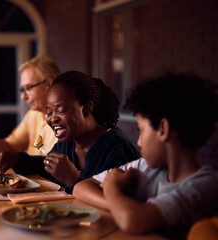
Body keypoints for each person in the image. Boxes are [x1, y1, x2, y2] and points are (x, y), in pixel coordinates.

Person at [73, 73, 218, 238]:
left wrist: (112, 187)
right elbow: (80, 188)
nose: (139, 142)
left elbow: (132, 220)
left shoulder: (206, 186)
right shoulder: (146, 167)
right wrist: (118, 206)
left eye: (141, 130)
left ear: (163, 129)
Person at [0, 71, 141, 193]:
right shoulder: (69, 143)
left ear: (87, 109)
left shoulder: (116, 149)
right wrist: (17, 159)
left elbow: (114, 203)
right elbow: (46, 166)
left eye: (61, 110)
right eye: (49, 112)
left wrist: (74, 180)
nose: (52, 119)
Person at [0, 55, 60, 162]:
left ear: (49, 84)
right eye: (22, 90)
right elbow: (10, 146)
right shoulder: (33, 115)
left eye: (28, 88)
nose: (23, 96)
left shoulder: (63, 122)